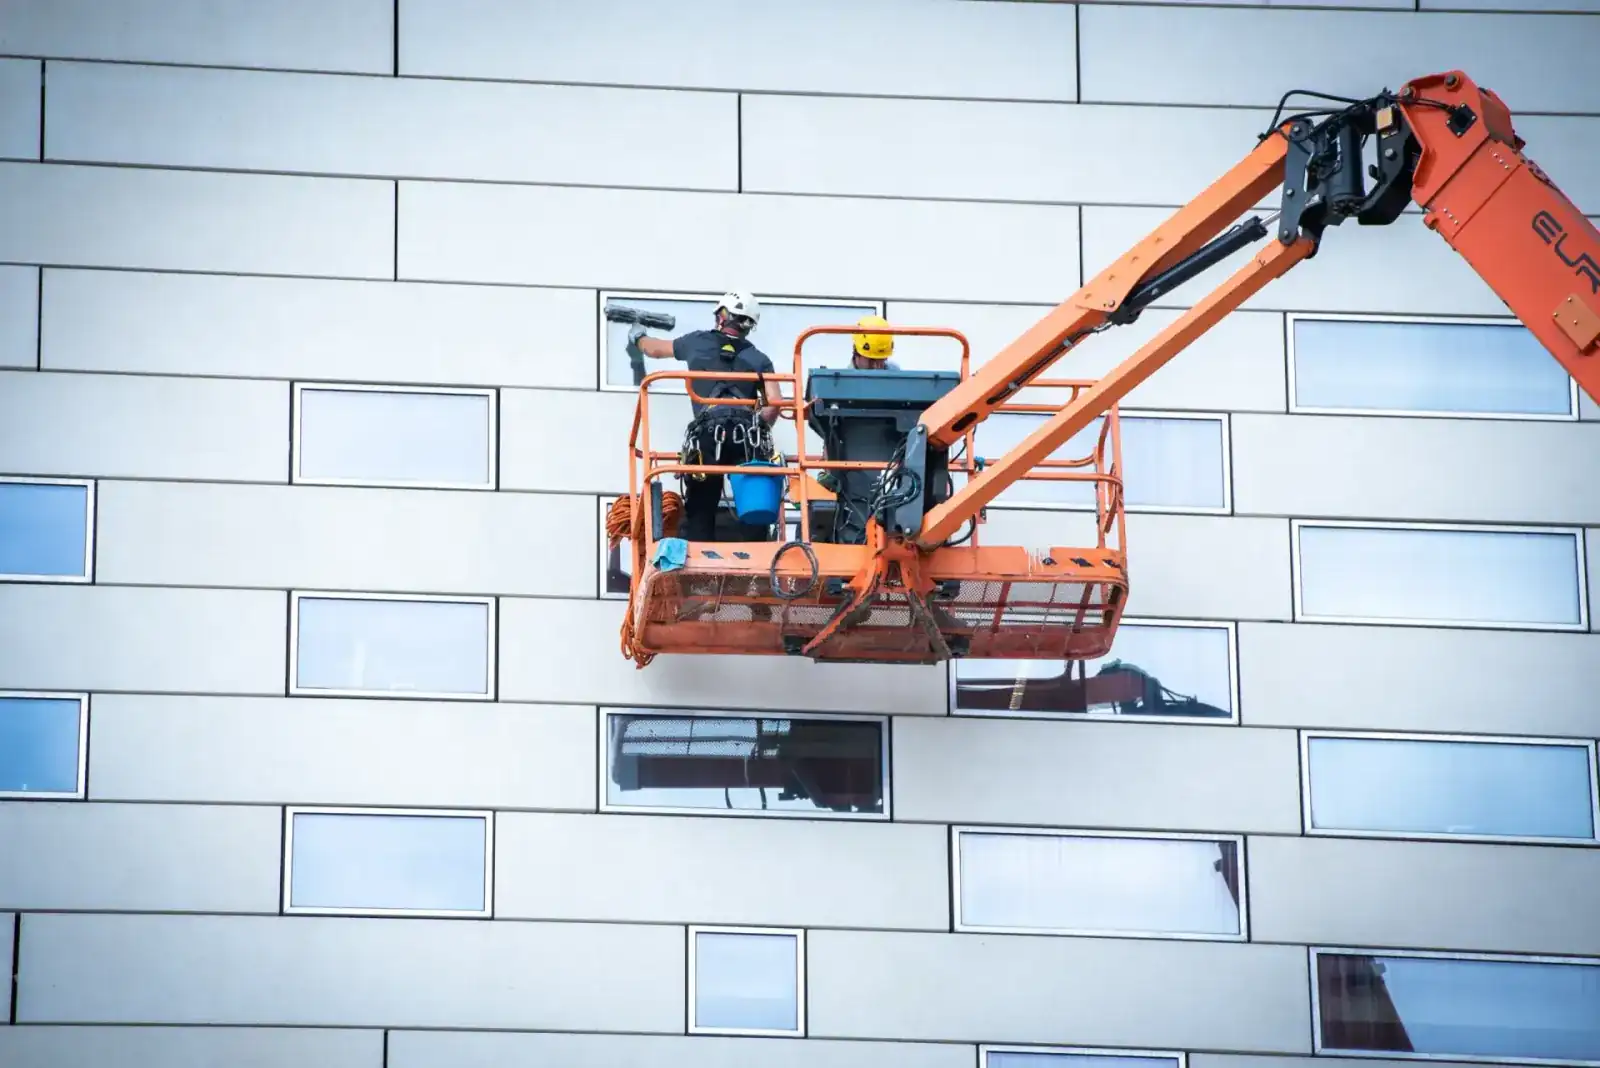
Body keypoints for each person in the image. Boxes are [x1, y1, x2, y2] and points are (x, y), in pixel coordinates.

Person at [628, 290, 780, 542]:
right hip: (747, 437)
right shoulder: (760, 359)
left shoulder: (697, 341)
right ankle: (758, 559)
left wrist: (638, 337)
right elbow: (775, 405)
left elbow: (654, 350)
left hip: (707, 436)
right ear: (748, 325)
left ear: (722, 315)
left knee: (701, 504)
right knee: (754, 503)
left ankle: (699, 558)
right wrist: (759, 423)